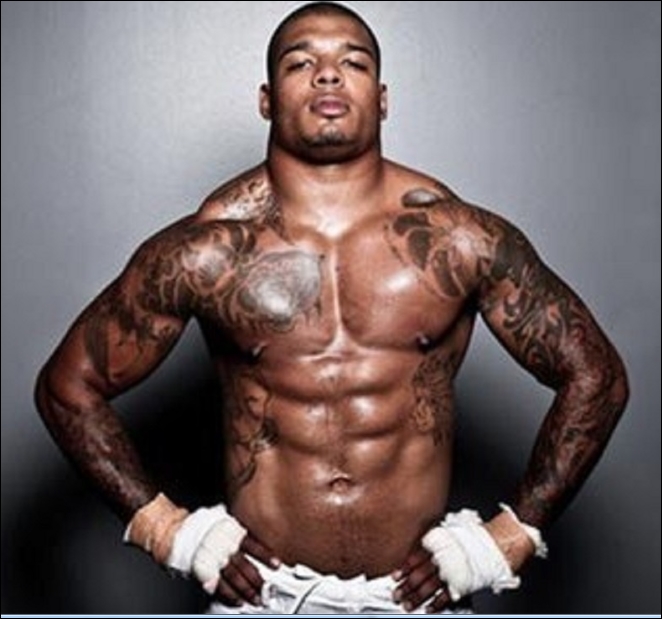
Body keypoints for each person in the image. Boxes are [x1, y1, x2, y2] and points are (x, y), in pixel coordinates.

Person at [34, 1, 629, 614]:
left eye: (354, 63)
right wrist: (168, 531)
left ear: (383, 98)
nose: (327, 74)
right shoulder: (207, 252)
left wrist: (508, 537)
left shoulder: (458, 241)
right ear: (267, 100)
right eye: (301, 63)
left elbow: (597, 377)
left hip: (419, 599)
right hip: (264, 599)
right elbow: (68, 388)